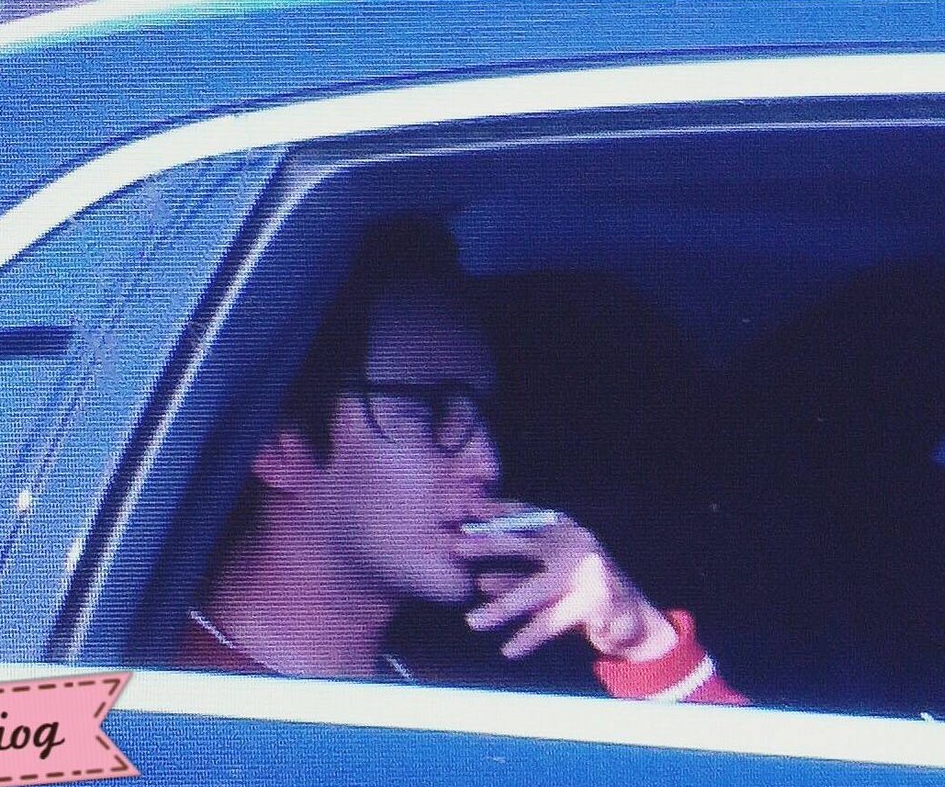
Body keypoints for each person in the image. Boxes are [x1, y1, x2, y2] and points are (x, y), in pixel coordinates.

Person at [179, 217, 746, 706]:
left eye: (483, 415)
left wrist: (642, 643)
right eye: (431, 410)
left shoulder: (446, 702)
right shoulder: (152, 718)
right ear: (277, 443)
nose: (487, 462)